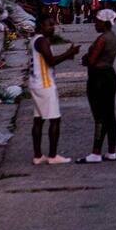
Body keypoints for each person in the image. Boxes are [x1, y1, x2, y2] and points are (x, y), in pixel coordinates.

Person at [29, 15, 80, 165]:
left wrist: (66, 55)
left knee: (38, 119)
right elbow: (50, 61)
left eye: (53, 25)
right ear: (40, 27)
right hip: (45, 84)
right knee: (54, 119)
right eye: (49, 25)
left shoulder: (35, 40)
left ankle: (38, 155)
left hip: (35, 82)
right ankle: (53, 155)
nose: (52, 27)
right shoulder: (43, 41)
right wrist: (68, 54)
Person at [78, 9, 116, 163]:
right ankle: (111, 151)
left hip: (98, 78)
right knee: (110, 114)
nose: (95, 24)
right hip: (110, 75)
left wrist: (85, 58)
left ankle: (96, 152)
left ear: (105, 22)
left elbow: (92, 60)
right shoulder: (114, 39)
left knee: (99, 115)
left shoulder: (102, 39)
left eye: (97, 21)